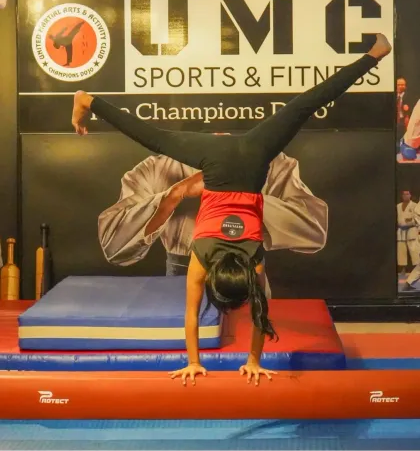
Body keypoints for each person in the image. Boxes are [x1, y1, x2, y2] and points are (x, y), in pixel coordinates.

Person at [71, 33, 391, 385]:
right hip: (221, 161)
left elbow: (256, 314)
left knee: (304, 104)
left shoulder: (254, 260)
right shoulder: (203, 255)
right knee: (156, 137)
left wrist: (248, 361)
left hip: (252, 155)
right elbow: (194, 316)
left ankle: (375, 55)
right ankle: (88, 100)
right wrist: (199, 362)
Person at [97, 152, 329, 287]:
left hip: (247, 269)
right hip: (181, 275)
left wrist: (240, 195)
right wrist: (173, 196)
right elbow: (114, 247)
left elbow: (314, 232)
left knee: (248, 338)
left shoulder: (273, 163)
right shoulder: (156, 168)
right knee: (184, 343)